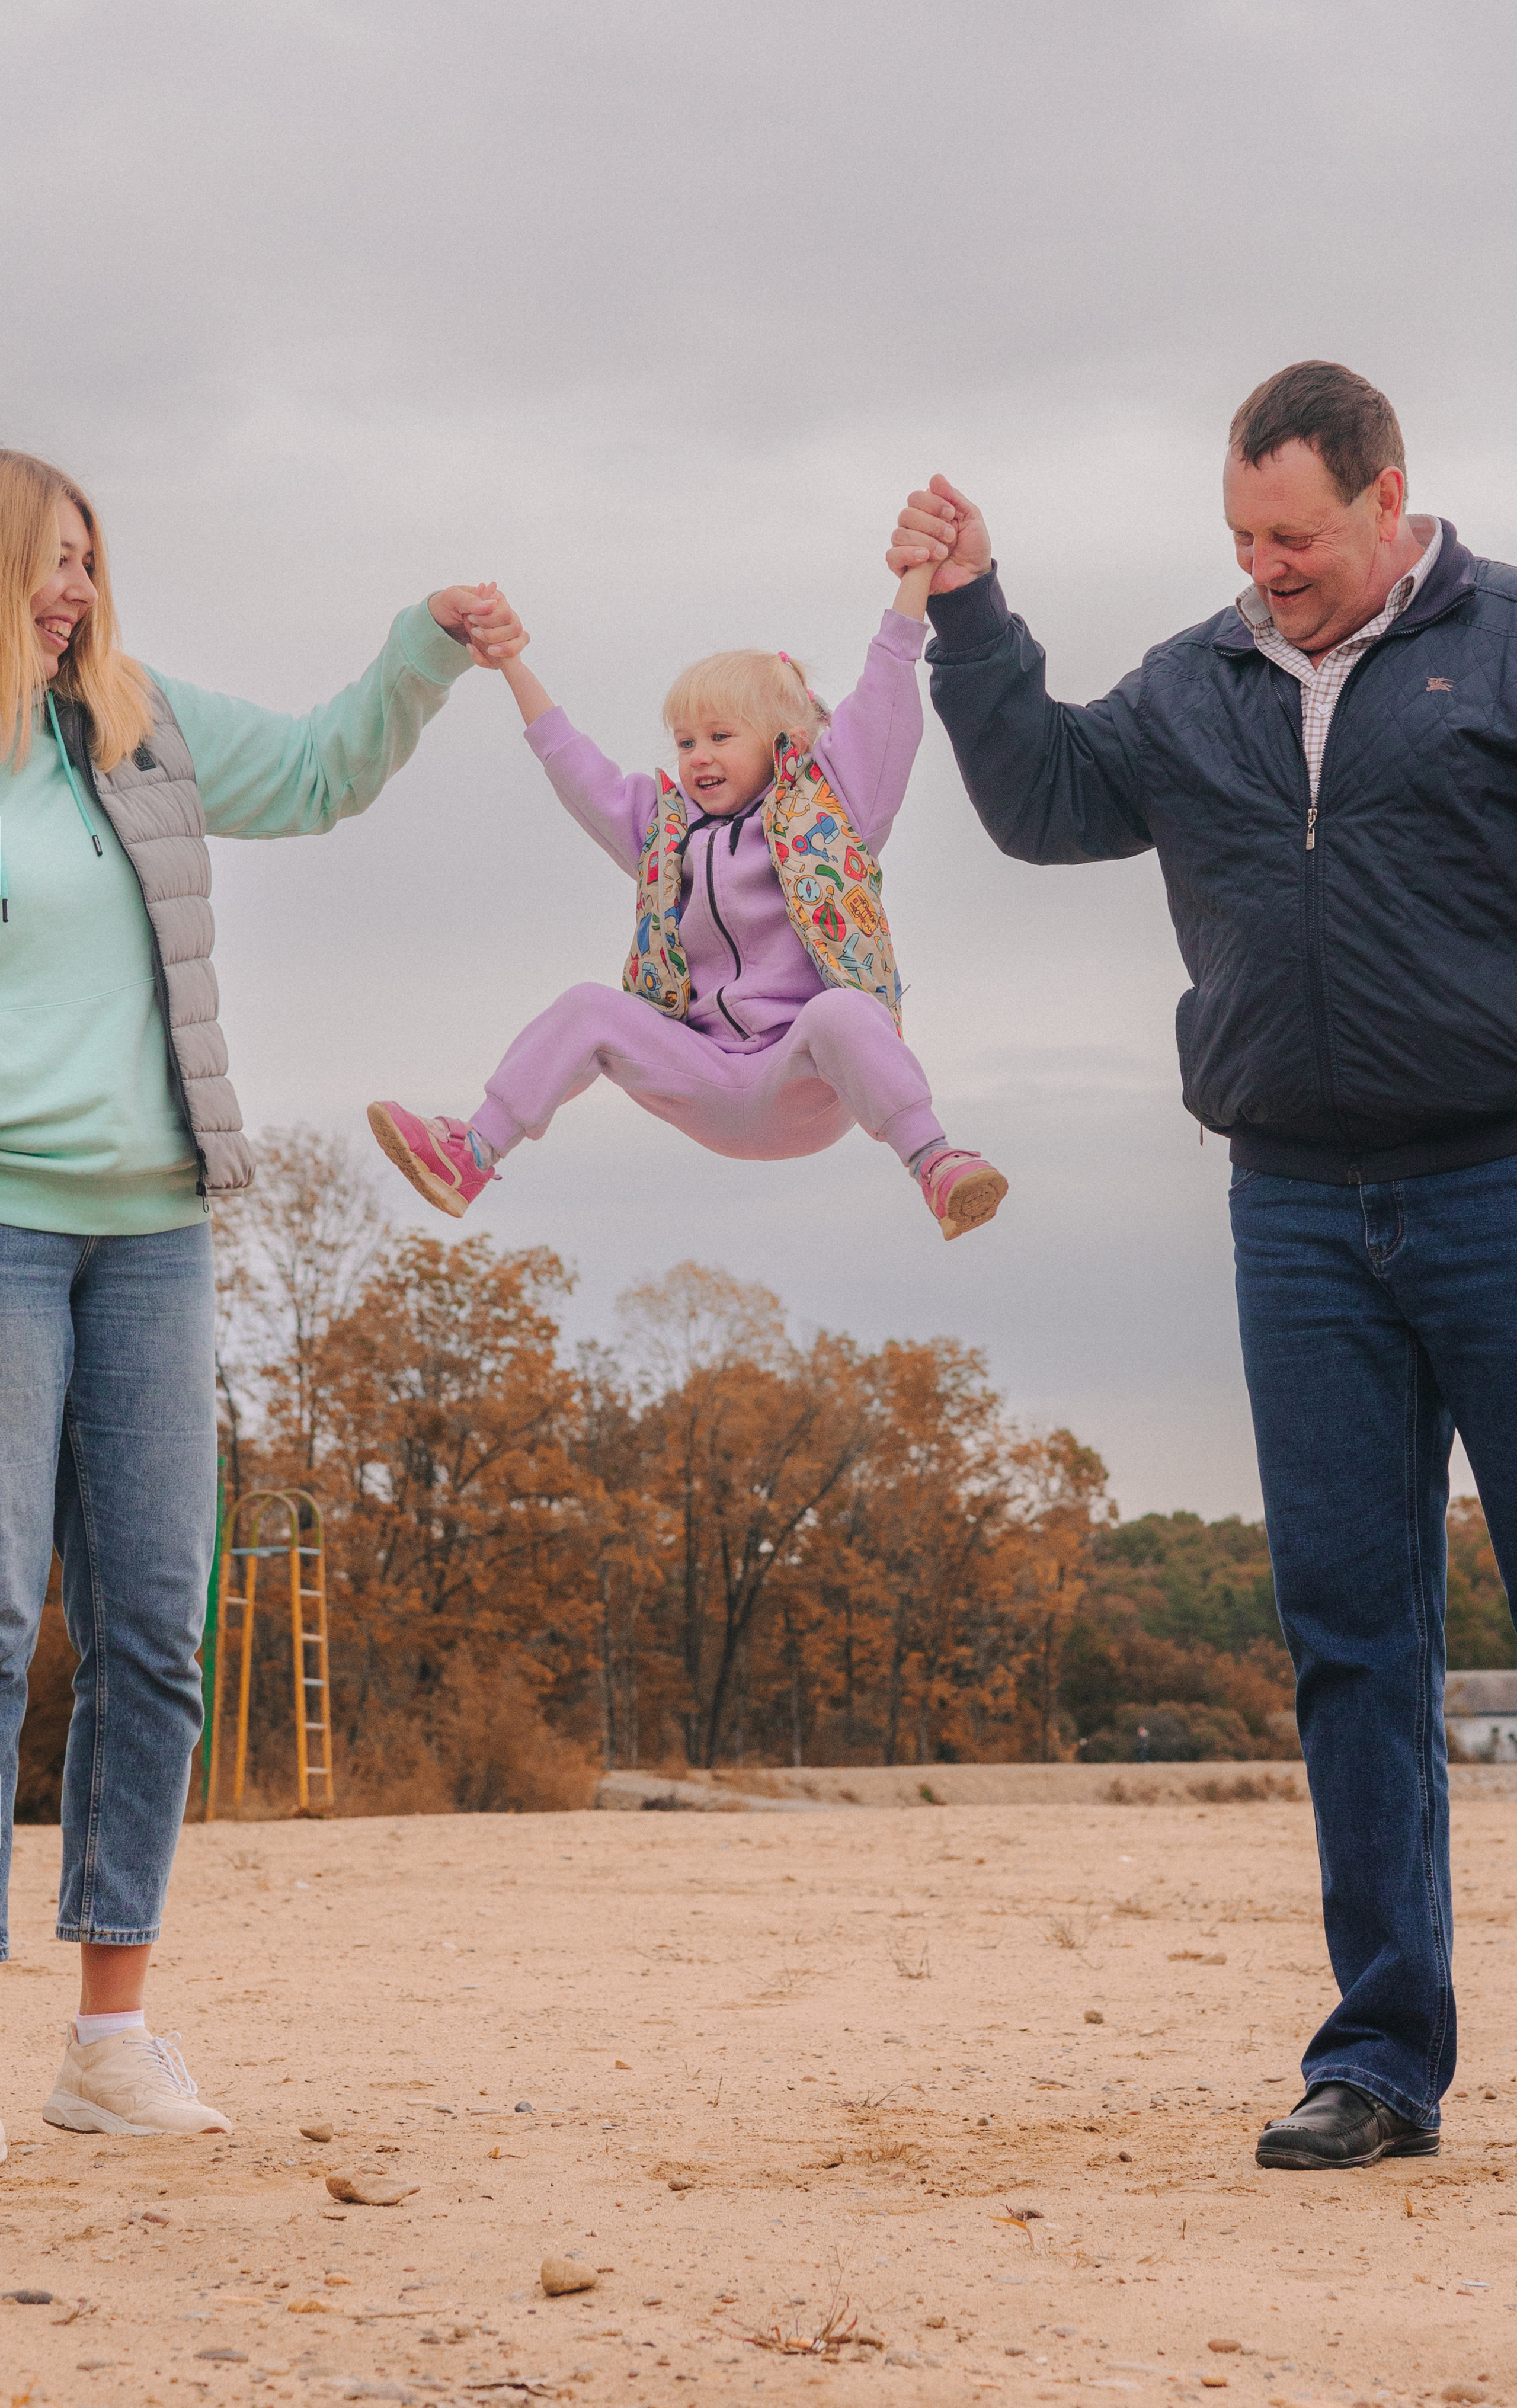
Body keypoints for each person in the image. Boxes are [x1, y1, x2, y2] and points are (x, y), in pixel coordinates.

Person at [889, 360, 1517, 2172]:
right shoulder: (1191, 682)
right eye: (1240, 536)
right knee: (1348, 1638)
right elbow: (1039, 796)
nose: (1266, 567)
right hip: (1297, 1211)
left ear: (1388, 501)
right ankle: (1379, 2055)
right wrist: (971, 618)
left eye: (1295, 535)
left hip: (1495, 1185)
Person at [0, 448, 517, 2159]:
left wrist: (420, 651)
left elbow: (310, 773)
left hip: (155, 1231)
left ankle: (111, 2041)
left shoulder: (140, 719)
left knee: (154, 1633)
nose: (71, 588)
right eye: (42, 559)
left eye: (88, 556)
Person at [367, 555, 1007, 1240]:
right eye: (685, 741)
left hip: (802, 1080)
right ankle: (470, 1152)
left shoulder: (836, 806)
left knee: (843, 1011)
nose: (698, 756)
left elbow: (883, 698)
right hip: (699, 1075)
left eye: (721, 737)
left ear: (781, 740)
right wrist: (514, 666)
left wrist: (915, 581)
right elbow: (575, 766)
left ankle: (934, 1161)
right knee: (588, 1006)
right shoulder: (662, 834)